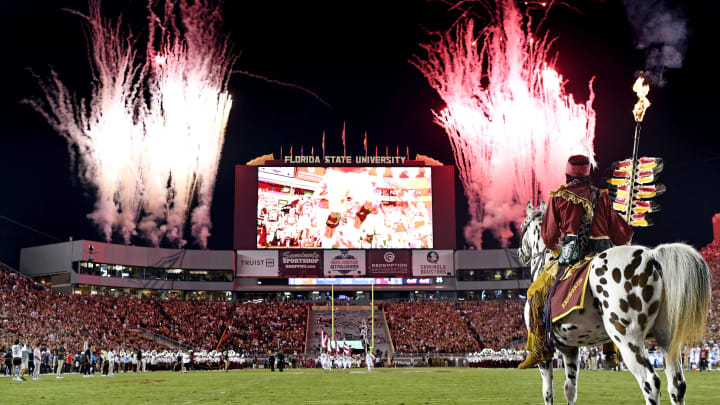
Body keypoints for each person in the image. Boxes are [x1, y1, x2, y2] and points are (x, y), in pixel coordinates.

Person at [519, 155, 634, 369]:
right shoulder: (602, 196)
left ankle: (538, 349)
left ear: (568, 173)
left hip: (572, 256)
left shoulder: (559, 197)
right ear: (588, 174)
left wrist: (556, 249)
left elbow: (549, 237)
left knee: (535, 294)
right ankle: (611, 349)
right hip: (604, 254)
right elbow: (621, 237)